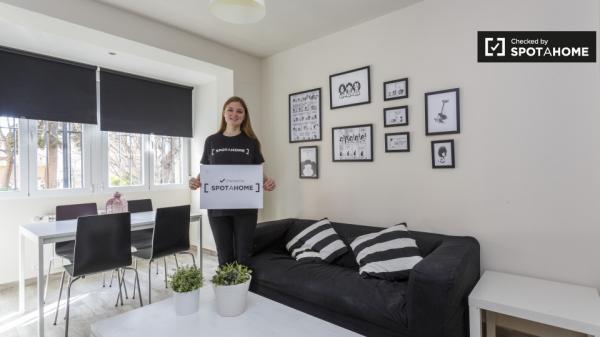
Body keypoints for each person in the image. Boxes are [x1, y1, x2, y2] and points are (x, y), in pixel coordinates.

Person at [189, 96, 276, 266]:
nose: (234, 114)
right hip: (217, 209)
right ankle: (226, 292)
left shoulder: (251, 142)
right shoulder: (211, 141)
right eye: (230, 109)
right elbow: (206, 171)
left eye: (239, 111)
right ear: (223, 113)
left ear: (244, 116)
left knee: (244, 255)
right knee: (224, 255)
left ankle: (244, 292)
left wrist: (268, 182)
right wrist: (195, 181)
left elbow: (257, 171)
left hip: (246, 208)